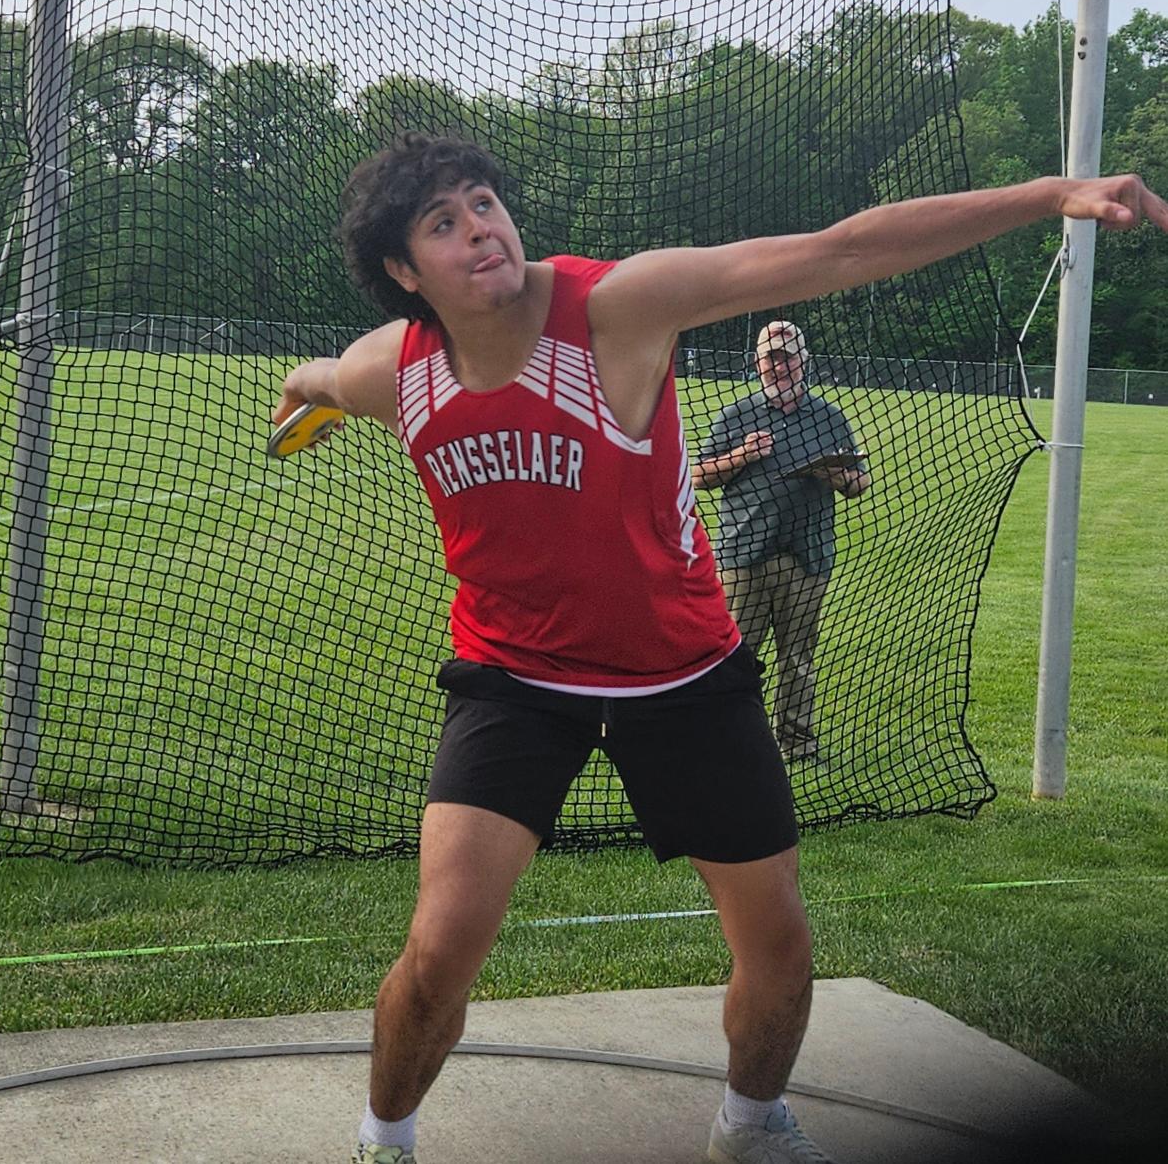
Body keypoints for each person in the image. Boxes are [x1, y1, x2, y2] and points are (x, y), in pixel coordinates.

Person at [273, 132, 1168, 1164]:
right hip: (513, 680)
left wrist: (1054, 192)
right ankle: (384, 1140)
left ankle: (750, 1126)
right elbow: (331, 375)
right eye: (443, 222)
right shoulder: (394, 369)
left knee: (779, 943)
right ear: (402, 270)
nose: (480, 227)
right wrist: (311, 397)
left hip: (685, 672)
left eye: (484, 203)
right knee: (438, 951)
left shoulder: (618, 308)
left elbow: (835, 252)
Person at [693, 321, 871, 762]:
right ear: (757, 363)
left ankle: (798, 743)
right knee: (738, 657)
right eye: (772, 356)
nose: (781, 365)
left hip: (807, 556)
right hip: (744, 553)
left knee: (799, 657)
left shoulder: (828, 417)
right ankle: (733, 741)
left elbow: (860, 482)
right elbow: (699, 476)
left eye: (788, 356)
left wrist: (837, 475)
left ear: (804, 361)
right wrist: (742, 455)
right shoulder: (736, 416)